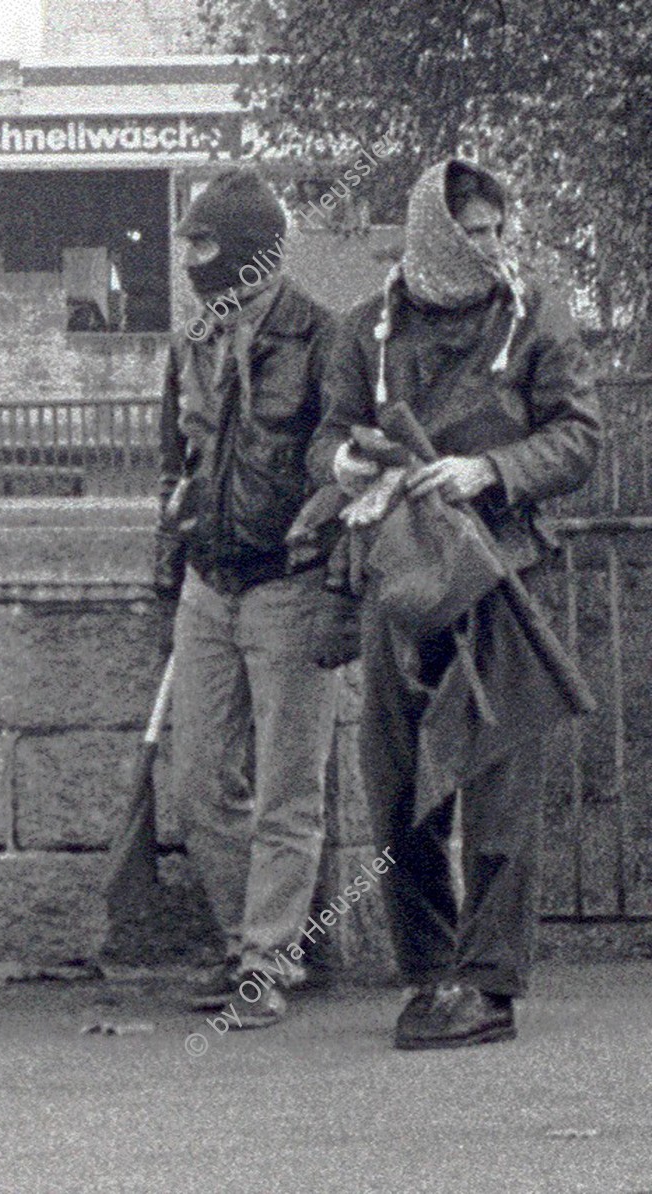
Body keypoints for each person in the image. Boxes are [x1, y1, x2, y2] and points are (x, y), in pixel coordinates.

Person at [309, 158, 600, 1050]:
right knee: (396, 785)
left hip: (504, 573)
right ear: (435, 232)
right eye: (472, 230)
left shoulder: (536, 316)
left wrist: (491, 470)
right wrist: (349, 464)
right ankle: (430, 971)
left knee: (503, 785)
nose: (492, 245)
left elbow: (581, 435)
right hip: (401, 576)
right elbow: (327, 436)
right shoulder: (367, 330)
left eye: (497, 229)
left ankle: (488, 987)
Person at [157, 167, 340, 1029]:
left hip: (290, 587)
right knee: (195, 780)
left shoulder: (325, 338)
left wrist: (318, 520)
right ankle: (249, 947)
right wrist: (178, 524)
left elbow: (348, 458)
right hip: (210, 581)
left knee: (289, 791)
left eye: (203, 243)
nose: (189, 258)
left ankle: (266, 962)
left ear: (246, 251)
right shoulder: (191, 339)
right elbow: (177, 457)